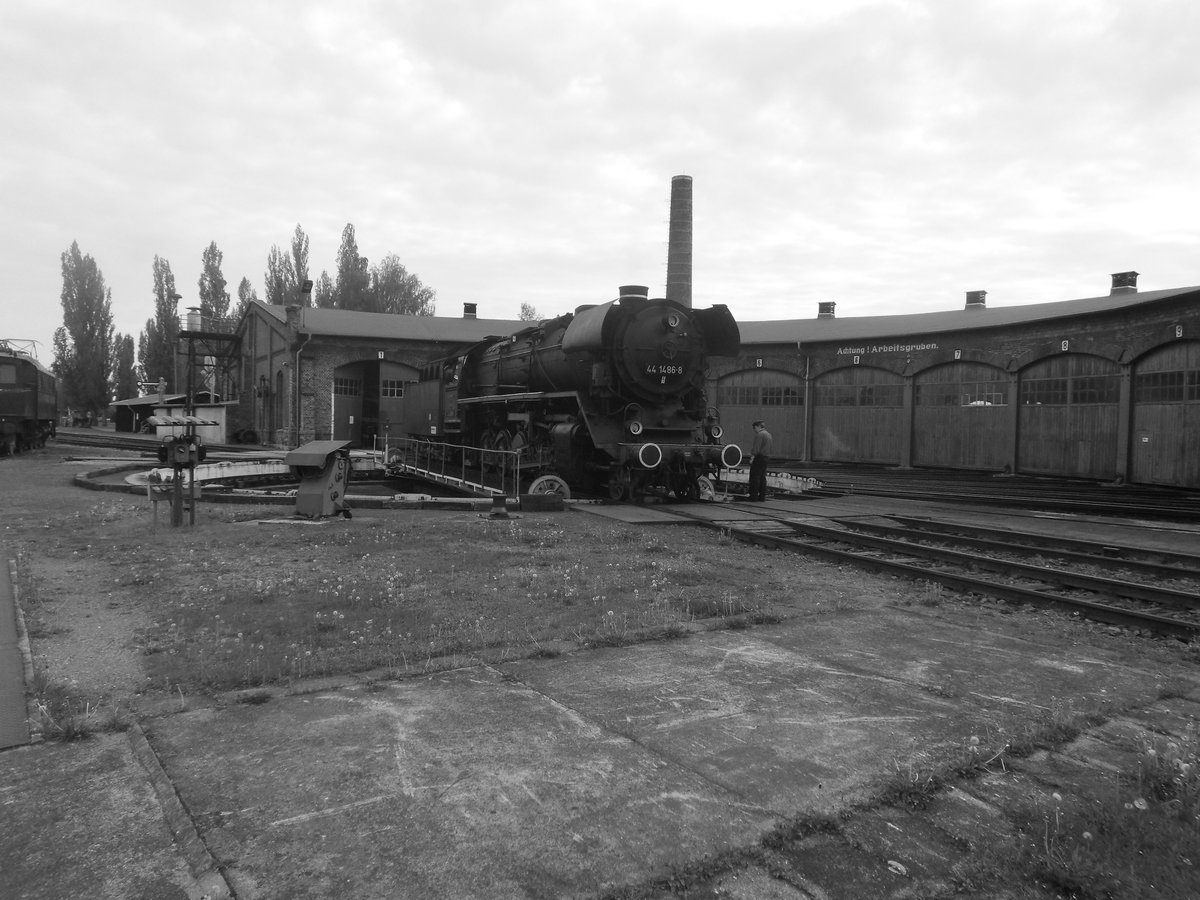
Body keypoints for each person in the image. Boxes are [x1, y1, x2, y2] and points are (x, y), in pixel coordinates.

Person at [748, 420, 772, 501]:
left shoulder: (760, 435)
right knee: (762, 477)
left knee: (755, 477)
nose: (754, 430)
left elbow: (756, 448)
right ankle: (762, 497)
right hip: (766, 458)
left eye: (754, 428)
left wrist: (752, 457)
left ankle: (753, 497)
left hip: (759, 458)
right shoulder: (769, 435)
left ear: (758, 426)